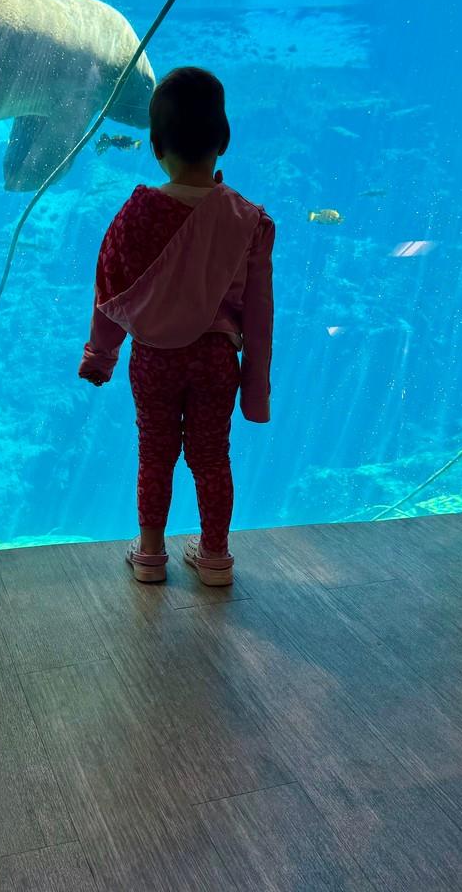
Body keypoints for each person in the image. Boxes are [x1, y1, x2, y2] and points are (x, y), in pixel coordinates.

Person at [79, 67, 275, 587]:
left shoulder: (137, 214)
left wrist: (100, 357)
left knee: (156, 452)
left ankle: (149, 554)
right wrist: (256, 388)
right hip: (216, 360)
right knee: (212, 457)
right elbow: (259, 315)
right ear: (224, 140)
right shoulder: (247, 219)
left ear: (154, 144)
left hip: (154, 359)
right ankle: (214, 557)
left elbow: (111, 292)